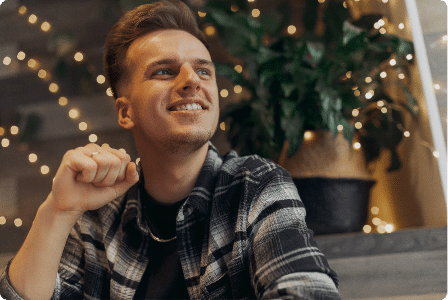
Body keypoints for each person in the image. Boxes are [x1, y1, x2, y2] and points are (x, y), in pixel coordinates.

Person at [0, 1, 341, 299]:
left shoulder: (256, 186)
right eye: (164, 71)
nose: (192, 81)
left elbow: (307, 292)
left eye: (203, 70)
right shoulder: (96, 215)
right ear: (124, 111)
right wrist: (57, 211)